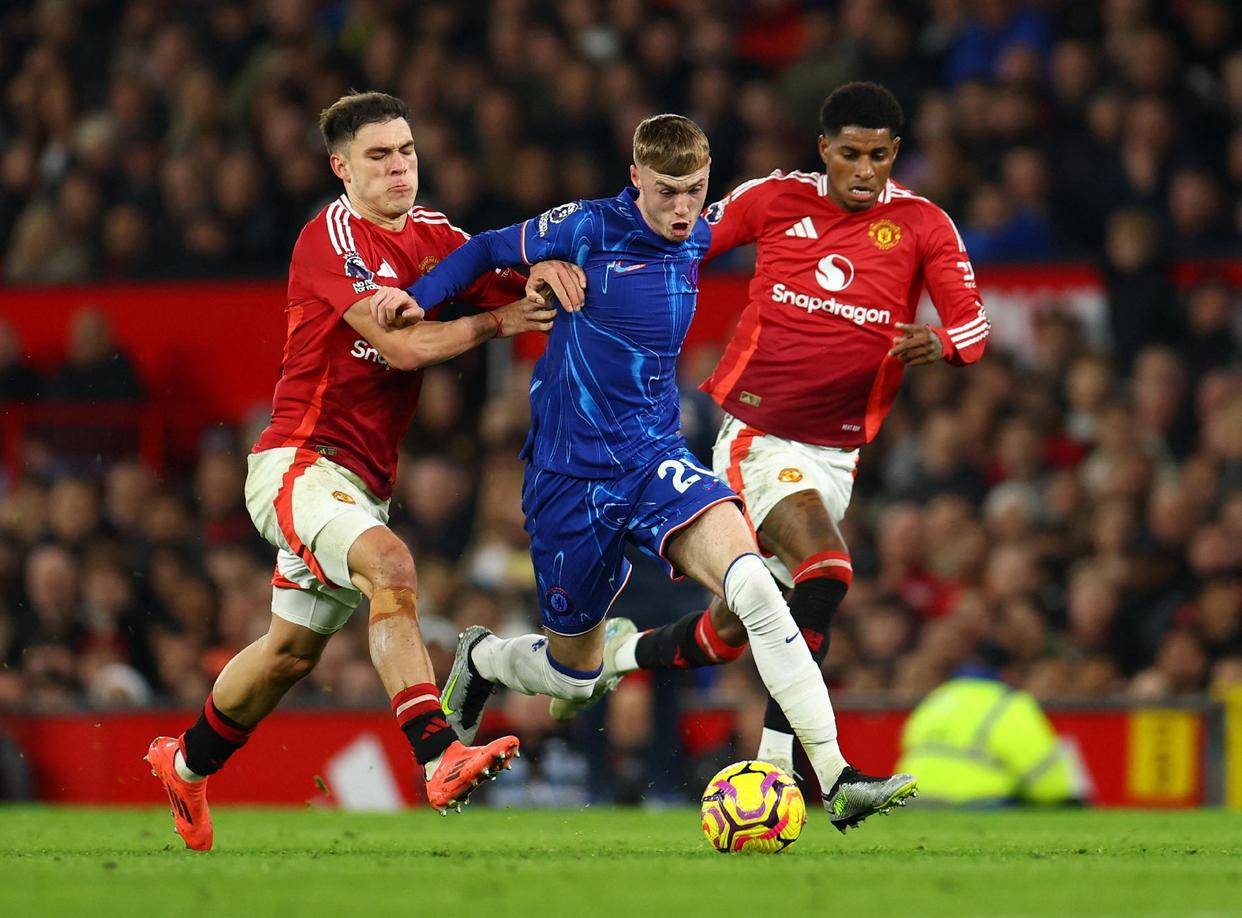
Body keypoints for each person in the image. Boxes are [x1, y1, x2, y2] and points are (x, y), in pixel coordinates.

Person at [372, 113, 917, 832]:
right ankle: (485, 660)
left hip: (656, 458)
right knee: (575, 675)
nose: (682, 209)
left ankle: (835, 778)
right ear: (636, 178)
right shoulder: (587, 227)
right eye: (666, 191)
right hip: (569, 478)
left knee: (757, 587)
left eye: (695, 191)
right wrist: (425, 298)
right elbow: (485, 249)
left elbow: (798, 203)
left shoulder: (698, 235)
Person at [145, 91, 571, 850]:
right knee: (392, 566)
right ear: (341, 168)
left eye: (406, 150)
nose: (399, 167)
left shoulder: (438, 237)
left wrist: (554, 278)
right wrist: (499, 322)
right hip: (298, 463)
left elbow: (516, 282)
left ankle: (184, 764)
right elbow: (402, 347)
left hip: (362, 485)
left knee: (287, 655)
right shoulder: (330, 237)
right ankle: (439, 754)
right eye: (378, 156)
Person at [556, 82, 991, 779]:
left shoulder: (923, 224)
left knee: (730, 633)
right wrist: (581, 266)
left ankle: (618, 655)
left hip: (838, 456)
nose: (863, 170)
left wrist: (941, 342)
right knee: (827, 569)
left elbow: (974, 327)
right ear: (824, 149)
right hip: (758, 438)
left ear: (895, 154)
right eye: (849, 154)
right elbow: (679, 238)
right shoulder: (775, 198)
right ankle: (790, 769)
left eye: (878, 156)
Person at [896, 647, 1088, 806]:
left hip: (915, 800)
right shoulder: (1009, 704)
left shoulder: (936, 698)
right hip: (976, 803)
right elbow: (1045, 776)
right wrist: (1068, 799)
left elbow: (906, 744)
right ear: (1008, 672)